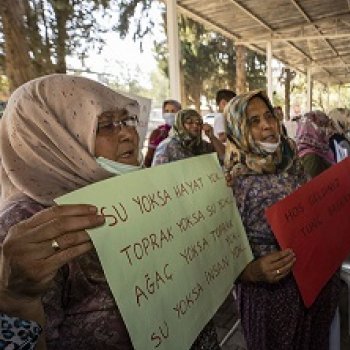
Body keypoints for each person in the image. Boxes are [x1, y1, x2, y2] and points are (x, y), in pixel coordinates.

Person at [0, 74, 220, 349]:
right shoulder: (27, 226)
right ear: (52, 137)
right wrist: (17, 301)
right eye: (105, 125)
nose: (128, 133)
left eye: (126, 120)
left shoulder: (137, 188)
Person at [223, 90, 341, 349]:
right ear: (237, 128)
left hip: (313, 284)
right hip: (271, 298)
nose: (267, 125)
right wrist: (249, 271)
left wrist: (346, 205)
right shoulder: (231, 182)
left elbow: (315, 210)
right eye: (254, 121)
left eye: (269, 116)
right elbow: (218, 251)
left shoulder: (291, 162)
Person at [151, 108, 225, 166]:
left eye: (198, 122)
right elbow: (158, 175)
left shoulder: (203, 145)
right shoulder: (167, 147)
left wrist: (212, 137)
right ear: (180, 124)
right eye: (189, 122)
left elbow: (224, 158)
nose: (195, 126)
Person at [295, 110, 336, 177]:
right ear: (311, 130)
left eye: (325, 125)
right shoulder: (310, 156)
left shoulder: (321, 149)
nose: (324, 130)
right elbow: (312, 184)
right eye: (321, 125)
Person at [144, 99, 181, 167]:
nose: (169, 114)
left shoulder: (185, 132)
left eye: (173, 111)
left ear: (180, 113)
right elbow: (149, 157)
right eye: (166, 111)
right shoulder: (157, 133)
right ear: (163, 114)